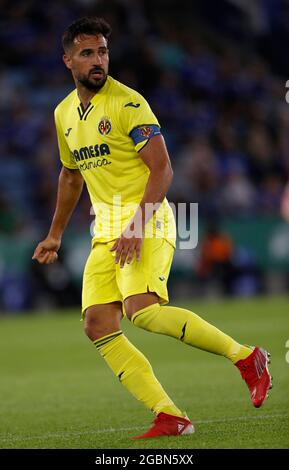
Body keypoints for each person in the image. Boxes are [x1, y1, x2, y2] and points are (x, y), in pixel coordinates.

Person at [32, 17, 272, 439]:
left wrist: (137, 225)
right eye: (87, 52)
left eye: (103, 51)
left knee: (141, 310)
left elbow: (162, 169)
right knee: (97, 323)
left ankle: (246, 357)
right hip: (105, 227)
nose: (98, 60)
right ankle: (170, 415)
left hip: (147, 217)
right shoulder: (64, 113)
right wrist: (54, 234)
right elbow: (70, 176)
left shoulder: (128, 104)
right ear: (67, 59)